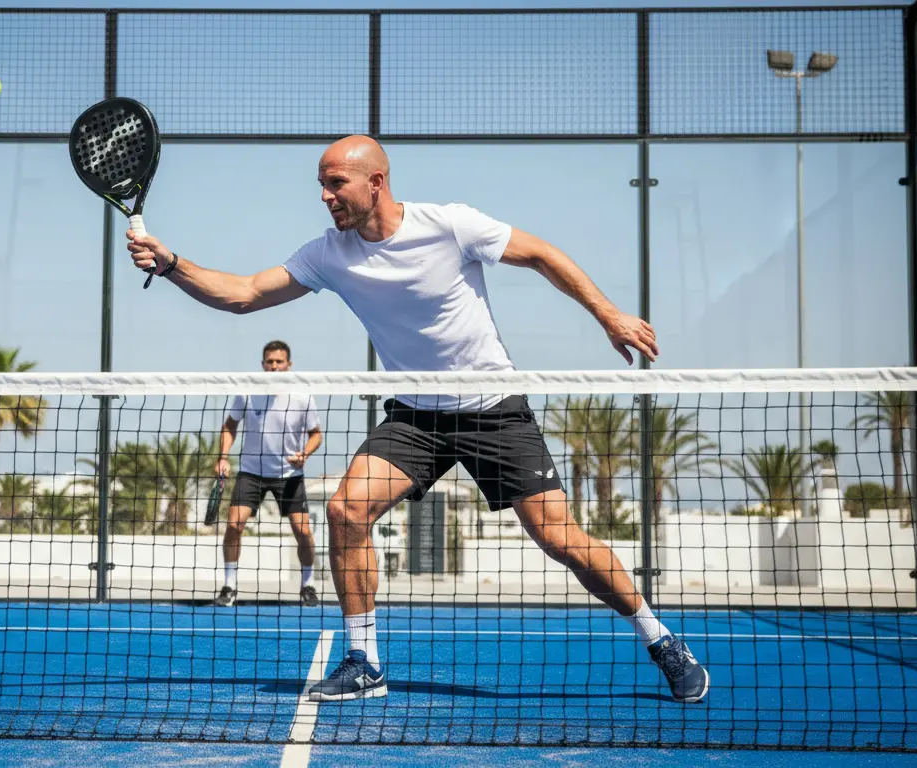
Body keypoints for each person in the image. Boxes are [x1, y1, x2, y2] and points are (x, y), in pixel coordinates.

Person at [125, 135, 708, 705]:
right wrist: (172, 263)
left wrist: (608, 314)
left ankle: (660, 638)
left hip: (493, 410)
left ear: (375, 183)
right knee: (345, 508)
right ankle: (363, 662)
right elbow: (245, 293)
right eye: (321, 186)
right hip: (415, 420)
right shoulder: (329, 253)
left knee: (559, 538)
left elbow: (542, 255)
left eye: (336, 184)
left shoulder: (450, 225)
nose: (325, 197)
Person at [214, 340, 323, 608]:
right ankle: (229, 586)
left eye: (279, 362)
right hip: (251, 472)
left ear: (289, 365)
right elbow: (229, 426)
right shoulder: (248, 392)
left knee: (303, 531)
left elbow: (316, 435)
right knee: (233, 525)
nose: (274, 366)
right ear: (263, 364)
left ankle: (308, 585)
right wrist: (223, 457)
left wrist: (305, 454)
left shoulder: (303, 396)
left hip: (289, 474)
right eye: (270, 362)